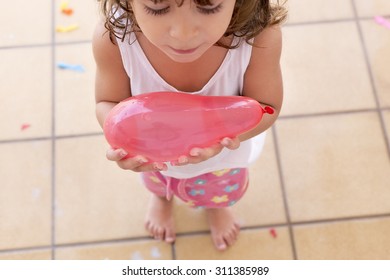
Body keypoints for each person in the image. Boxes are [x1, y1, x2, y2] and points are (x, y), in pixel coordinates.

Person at [93, 0, 287, 251]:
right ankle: (162, 198)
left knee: (219, 193)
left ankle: (215, 208)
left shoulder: (260, 36)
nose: (183, 34)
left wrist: (220, 138)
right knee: (158, 181)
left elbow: (267, 106)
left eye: (209, 7)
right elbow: (107, 102)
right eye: (157, 8)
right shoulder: (114, 38)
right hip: (155, 161)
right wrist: (122, 140)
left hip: (222, 162)